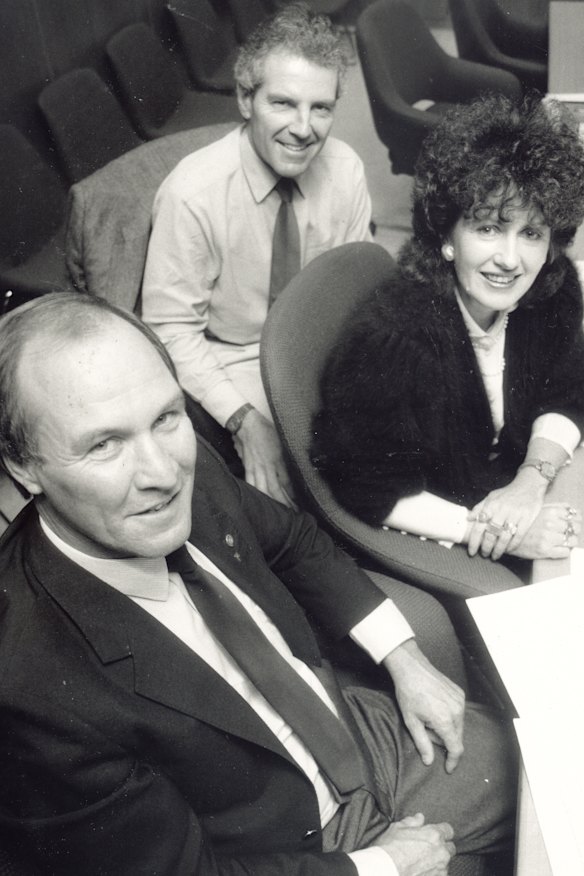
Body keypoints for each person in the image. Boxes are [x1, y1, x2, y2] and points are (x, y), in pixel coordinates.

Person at [0, 293, 515, 876]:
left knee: (556, 766)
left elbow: (294, 542)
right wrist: (380, 865)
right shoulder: (29, 689)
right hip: (292, 851)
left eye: (167, 417)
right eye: (104, 444)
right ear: (23, 465)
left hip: (354, 732)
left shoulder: (196, 470)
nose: (165, 475)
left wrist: (405, 660)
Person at [312, 93, 584, 566]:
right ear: (446, 237)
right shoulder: (391, 340)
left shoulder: (551, 291)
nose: (510, 259)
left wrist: (530, 482)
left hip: (520, 495)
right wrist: (501, 531)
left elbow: (567, 393)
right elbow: (366, 484)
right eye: (487, 229)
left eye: (531, 233)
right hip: (445, 532)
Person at [141, 3, 372, 509]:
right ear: (246, 100)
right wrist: (243, 420)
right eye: (283, 104)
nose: (304, 128)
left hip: (320, 351)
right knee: (284, 505)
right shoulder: (192, 194)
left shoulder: (347, 170)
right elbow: (169, 330)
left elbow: (356, 289)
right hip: (234, 359)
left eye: (321, 108)